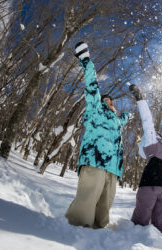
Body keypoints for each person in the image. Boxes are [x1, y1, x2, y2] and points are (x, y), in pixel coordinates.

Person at [65, 42, 129, 229]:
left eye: (112, 102)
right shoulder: (95, 111)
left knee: (104, 208)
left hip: (113, 168)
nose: (111, 103)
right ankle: (69, 231)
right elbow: (92, 88)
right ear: (102, 102)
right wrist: (86, 61)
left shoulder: (116, 121)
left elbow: (121, 123)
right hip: (95, 160)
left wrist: (126, 116)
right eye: (108, 100)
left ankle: (100, 234)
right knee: (86, 202)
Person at [129, 84, 162, 234]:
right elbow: (147, 120)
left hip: (159, 186)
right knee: (147, 222)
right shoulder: (153, 140)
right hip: (157, 185)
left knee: (153, 223)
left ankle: (156, 242)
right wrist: (140, 99)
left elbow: (144, 154)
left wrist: (140, 144)